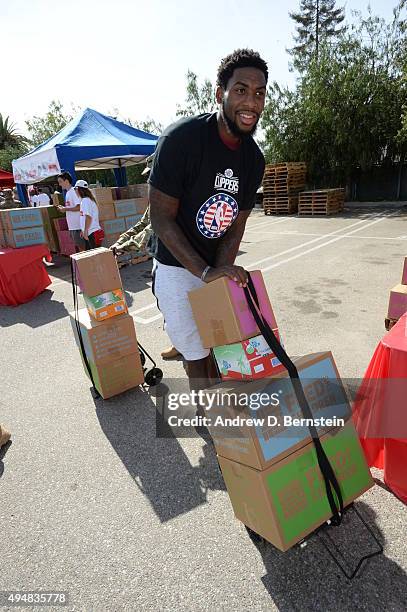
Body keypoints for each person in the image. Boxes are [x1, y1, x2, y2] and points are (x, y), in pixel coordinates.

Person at [149, 48, 267, 391]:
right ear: (221, 94)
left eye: (259, 93)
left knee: (224, 344)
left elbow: (236, 225)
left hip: (212, 263)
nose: (251, 102)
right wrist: (203, 272)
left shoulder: (253, 160)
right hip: (176, 267)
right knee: (197, 357)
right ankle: (215, 428)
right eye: (241, 90)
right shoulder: (181, 140)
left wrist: (220, 272)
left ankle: (231, 426)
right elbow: (161, 219)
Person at [110, 205, 181, 361]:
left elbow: (152, 229)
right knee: (166, 303)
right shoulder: (157, 195)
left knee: (180, 304)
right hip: (161, 256)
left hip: (179, 259)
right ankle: (179, 342)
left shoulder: (173, 195)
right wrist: (119, 242)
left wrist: (123, 247)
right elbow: (142, 224)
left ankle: (192, 349)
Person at [56, 171, 84, 251]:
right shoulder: (68, 193)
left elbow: (79, 207)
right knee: (81, 248)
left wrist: (65, 209)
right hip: (73, 226)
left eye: (60, 182)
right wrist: (65, 208)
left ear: (66, 181)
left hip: (78, 226)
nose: (59, 184)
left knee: (83, 249)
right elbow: (73, 207)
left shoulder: (73, 192)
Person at [74, 179, 101, 250]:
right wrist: (83, 230)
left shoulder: (85, 200)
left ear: (79, 189)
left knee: (95, 257)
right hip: (93, 232)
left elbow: (88, 217)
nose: (75, 191)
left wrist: (85, 231)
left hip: (91, 233)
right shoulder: (88, 200)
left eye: (75, 189)